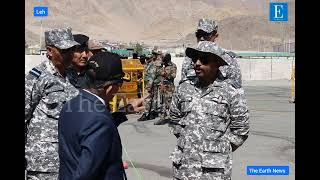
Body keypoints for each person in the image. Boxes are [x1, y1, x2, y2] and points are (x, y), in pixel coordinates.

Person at [169, 41, 249, 179]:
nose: (197, 63)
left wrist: (220, 148)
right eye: (195, 59)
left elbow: (241, 128)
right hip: (184, 169)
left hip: (213, 172)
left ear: (217, 63)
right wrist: (188, 140)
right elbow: (174, 118)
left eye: (204, 60)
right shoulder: (184, 88)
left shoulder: (230, 91)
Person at [58, 52, 144, 180]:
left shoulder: (71, 105)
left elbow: (89, 129)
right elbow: (85, 173)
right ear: (109, 88)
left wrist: (122, 112)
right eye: (119, 85)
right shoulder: (99, 119)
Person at [25, 27, 80, 179]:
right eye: (64, 50)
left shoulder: (72, 75)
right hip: (44, 162)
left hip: (71, 157)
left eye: (72, 49)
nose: (70, 54)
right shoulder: (36, 78)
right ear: (50, 51)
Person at [180, 18, 242, 89]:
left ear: (216, 36)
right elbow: (183, 86)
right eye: (199, 35)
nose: (202, 38)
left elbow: (236, 88)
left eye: (206, 34)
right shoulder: (189, 58)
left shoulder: (229, 59)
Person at [137, 50, 162, 121]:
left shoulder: (155, 64)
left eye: (154, 54)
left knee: (147, 99)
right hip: (152, 83)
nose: (152, 56)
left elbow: (152, 76)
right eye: (152, 54)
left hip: (150, 84)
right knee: (153, 99)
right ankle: (151, 113)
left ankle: (146, 114)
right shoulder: (152, 63)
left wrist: (148, 86)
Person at [154, 53, 177, 125]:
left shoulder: (173, 66)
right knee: (162, 103)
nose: (163, 59)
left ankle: (172, 118)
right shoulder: (163, 65)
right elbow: (158, 73)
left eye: (164, 58)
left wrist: (166, 74)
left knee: (169, 103)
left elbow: (173, 76)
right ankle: (163, 118)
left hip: (169, 88)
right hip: (162, 87)